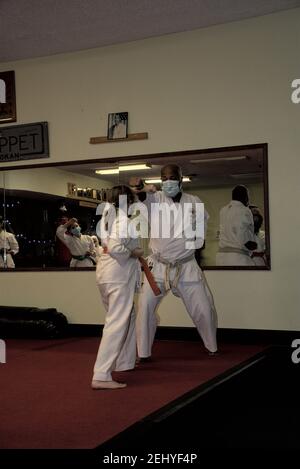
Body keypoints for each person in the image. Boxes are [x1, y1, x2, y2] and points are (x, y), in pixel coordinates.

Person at [129, 164, 218, 362]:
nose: (168, 181)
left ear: (180, 178)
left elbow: (200, 231)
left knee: (203, 309)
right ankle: (143, 353)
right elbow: (142, 193)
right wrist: (141, 186)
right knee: (144, 308)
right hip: (158, 267)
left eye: (171, 177)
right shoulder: (155, 199)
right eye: (164, 177)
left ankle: (211, 345)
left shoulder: (194, 202)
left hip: (186, 265)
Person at [92, 185, 143, 389]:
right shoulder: (123, 220)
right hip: (117, 275)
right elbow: (115, 247)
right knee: (116, 322)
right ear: (128, 202)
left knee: (128, 315)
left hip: (105, 274)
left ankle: (125, 361)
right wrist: (135, 253)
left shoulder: (106, 220)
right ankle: (101, 375)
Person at [216, 185, 257, 266]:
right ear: (246, 197)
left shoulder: (223, 210)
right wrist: (253, 245)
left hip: (221, 257)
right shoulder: (244, 210)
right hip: (238, 257)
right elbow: (243, 233)